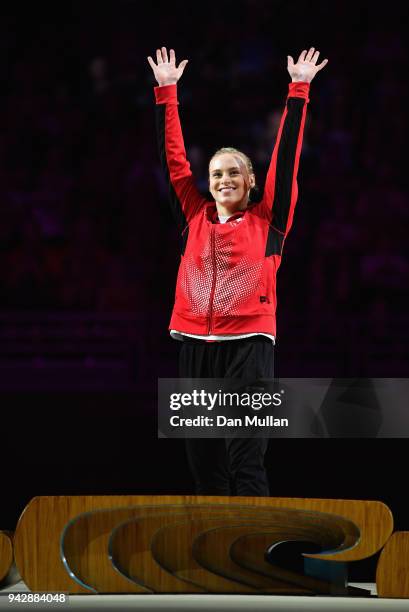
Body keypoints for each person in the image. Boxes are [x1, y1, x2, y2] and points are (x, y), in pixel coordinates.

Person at [148, 46, 328, 496]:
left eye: (233, 172)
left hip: (249, 344)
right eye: (215, 174)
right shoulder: (193, 215)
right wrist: (166, 93)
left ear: (250, 181)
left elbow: (286, 158)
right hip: (194, 344)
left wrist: (298, 90)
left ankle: (252, 556)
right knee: (203, 463)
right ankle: (211, 560)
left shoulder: (270, 220)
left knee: (245, 459)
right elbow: (174, 163)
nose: (222, 179)